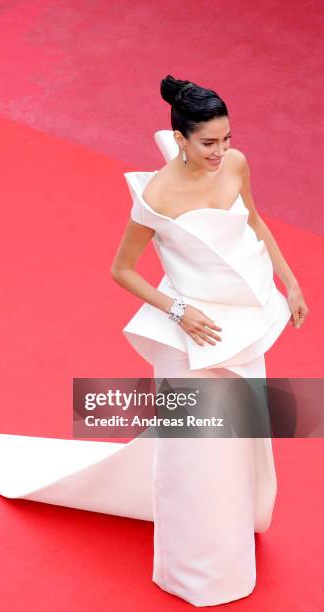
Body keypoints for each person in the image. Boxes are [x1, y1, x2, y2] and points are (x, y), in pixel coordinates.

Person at [110, 74, 309, 607]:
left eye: (226, 138)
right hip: (191, 342)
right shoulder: (156, 196)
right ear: (180, 140)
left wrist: (288, 282)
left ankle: (232, 539)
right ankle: (189, 571)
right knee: (195, 458)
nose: (222, 151)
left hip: (242, 331)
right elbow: (122, 270)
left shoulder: (237, 164)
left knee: (237, 445)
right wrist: (180, 311)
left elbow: (256, 224)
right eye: (209, 143)